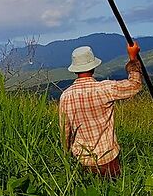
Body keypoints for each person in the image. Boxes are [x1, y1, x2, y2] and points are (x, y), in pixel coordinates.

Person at [58, 42, 142, 178]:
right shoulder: (105, 89)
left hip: (82, 161)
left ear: (74, 70)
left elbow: (65, 131)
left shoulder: (65, 96)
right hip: (108, 159)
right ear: (93, 67)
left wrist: (66, 153)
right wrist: (133, 59)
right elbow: (135, 85)